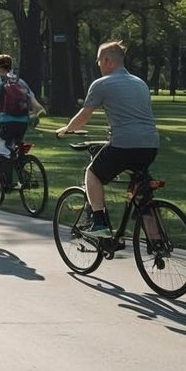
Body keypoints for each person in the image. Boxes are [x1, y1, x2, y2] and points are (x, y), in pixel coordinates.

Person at [55, 40, 158, 236]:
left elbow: (83, 117)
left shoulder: (102, 84)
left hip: (123, 145)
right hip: (150, 144)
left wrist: (66, 129)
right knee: (142, 191)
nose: (99, 66)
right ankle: (158, 241)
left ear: (107, 61)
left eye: (99, 61)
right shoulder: (140, 83)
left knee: (92, 174)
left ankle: (100, 224)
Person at [0, 54, 43, 190]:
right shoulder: (21, 82)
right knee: (16, 148)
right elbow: (36, 105)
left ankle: (7, 184)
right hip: (22, 123)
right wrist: (31, 116)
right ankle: (23, 174)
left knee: (1, 148)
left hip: (6, 123)